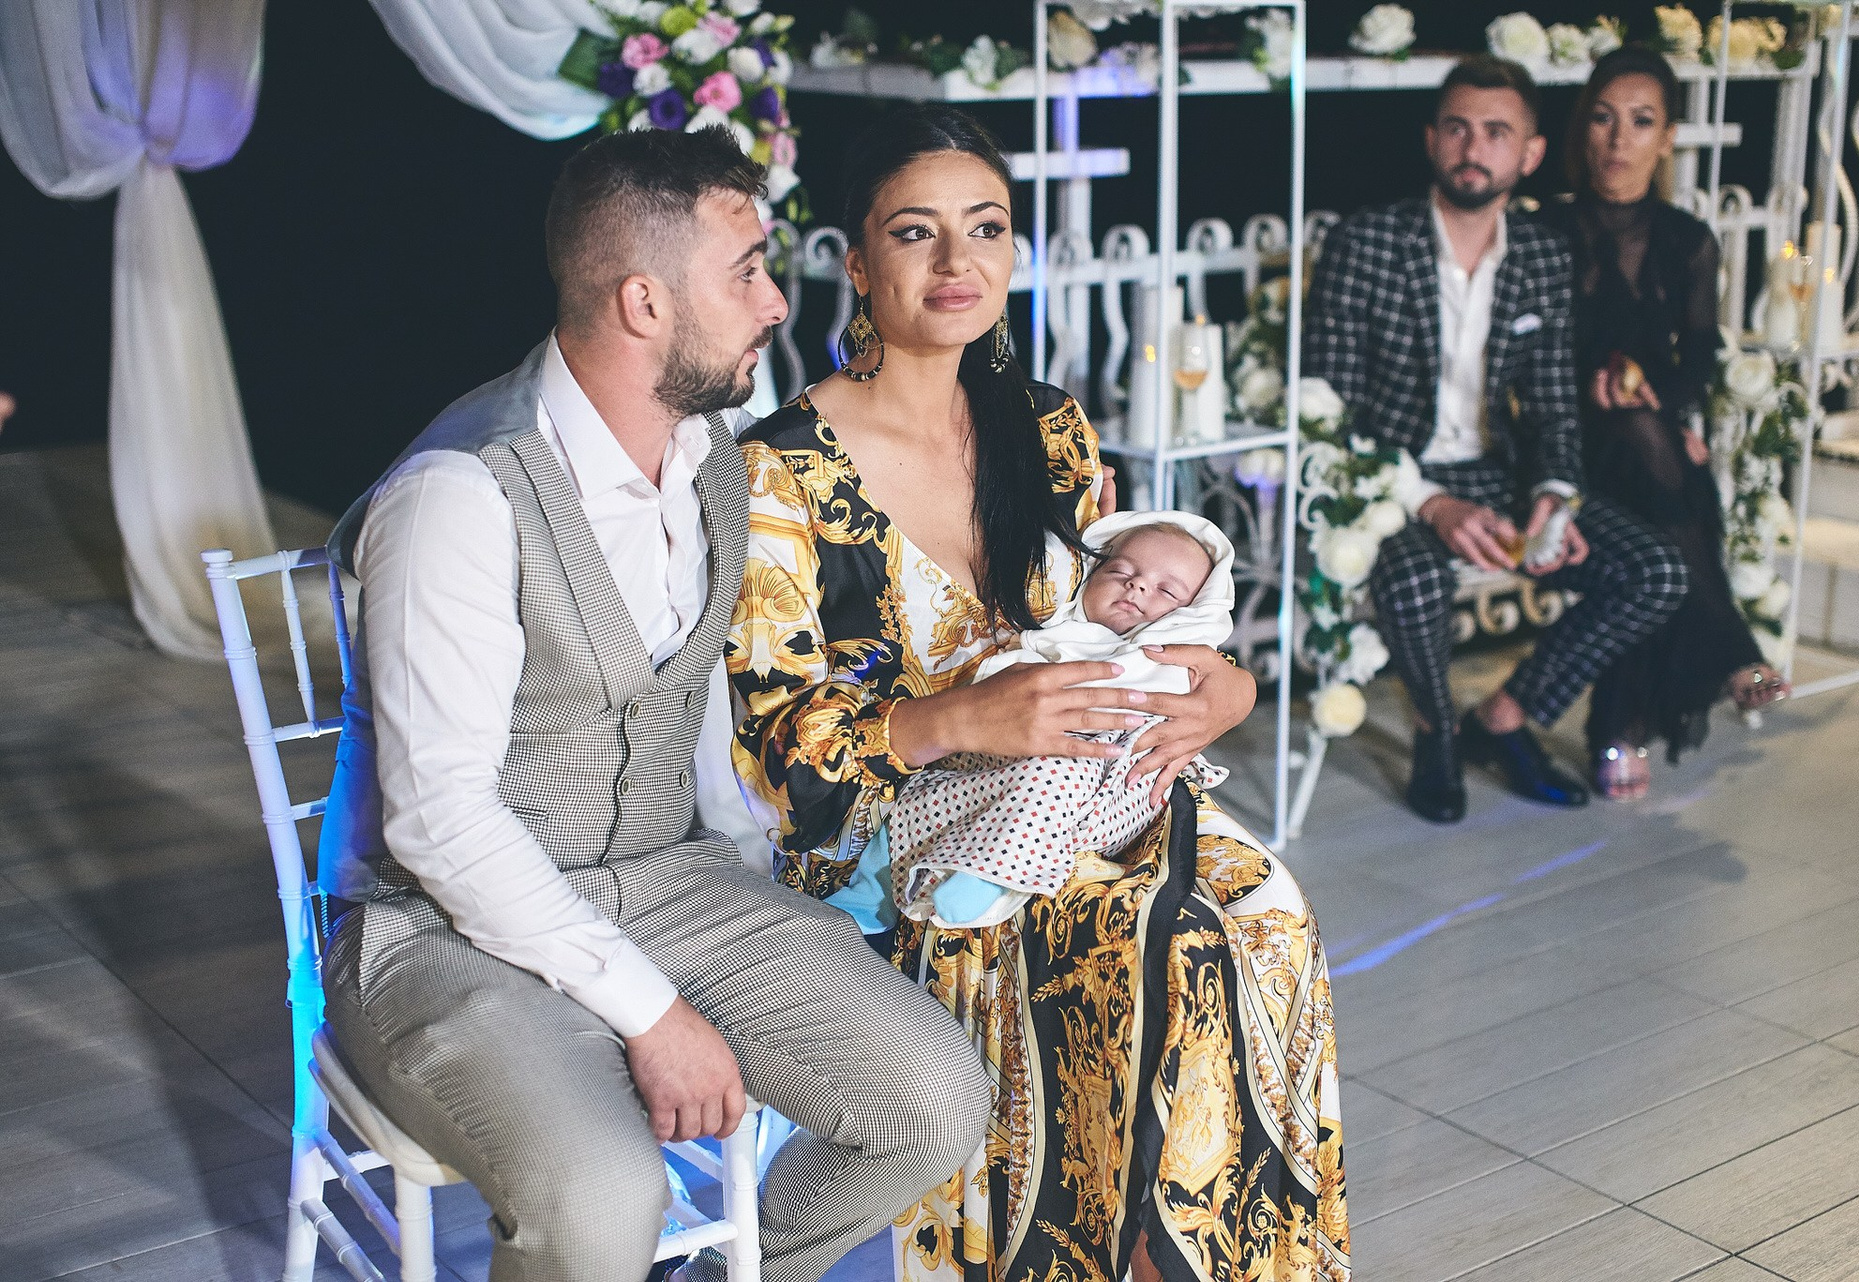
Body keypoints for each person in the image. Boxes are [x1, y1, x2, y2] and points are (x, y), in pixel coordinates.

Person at [314, 127, 992, 1282]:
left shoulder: (712, 452)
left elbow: (704, 721)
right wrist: (655, 1015)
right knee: (605, 1190)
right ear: (643, 302)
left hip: (669, 881)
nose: (776, 302)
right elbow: (440, 824)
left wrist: (776, 899)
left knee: (933, 1100)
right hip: (434, 928)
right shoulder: (461, 496)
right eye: (746, 272)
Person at [728, 105, 1348, 1282]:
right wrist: (965, 719)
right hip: (900, 843)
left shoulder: (1048, 427)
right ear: (855, 264)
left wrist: (1227, 689)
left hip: (1092, 790)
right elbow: (778, 760)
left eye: (986, 227)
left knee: (1262, 910)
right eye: (915, 232)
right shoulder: (778, 471)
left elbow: (1148, 614)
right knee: (1158, 945)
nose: (956, 262)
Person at [1303, 54, 1689, 825]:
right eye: (1457, 128)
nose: (1473, 148)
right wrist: (1430, 503)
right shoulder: (1366, 242)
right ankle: (1436, 729)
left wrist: (1554, 498)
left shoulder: (1542, 255)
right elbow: (1330, 414)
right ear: (1431, 140)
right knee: (1416, 581)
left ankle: (1505, 717)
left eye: (1496, 132)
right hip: (1393, 478)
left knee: (1654, 572)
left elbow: (1552, 407)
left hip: (1497, 472)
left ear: (1531, 153)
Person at [1541, 46, 1789, 800]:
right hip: (1562, 437)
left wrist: (1658, 399)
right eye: (1604, 119)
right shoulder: (1547, 231)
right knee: (1658, 462)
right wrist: (1595, 391)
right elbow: (1524, 357)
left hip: (1645, 443)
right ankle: (1724, 650)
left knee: (1650, 470)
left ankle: (1618, 725)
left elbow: (1702, 354)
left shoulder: (1687, 239)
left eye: (1641, 122)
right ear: (1583, 131)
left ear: (1668, 138)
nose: (1620, 140)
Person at [891, 511, 1235, 928]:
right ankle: (882, 871)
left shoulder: (1173, 660)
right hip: (1000, 744)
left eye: (1166, 590)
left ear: (1194, 613)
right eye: (1120, 571)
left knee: (1056, 775)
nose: (1137, 585)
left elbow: (1168, 722)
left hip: (1106, 778)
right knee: (942, 779)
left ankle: (988, 876)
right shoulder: (1058, 630)